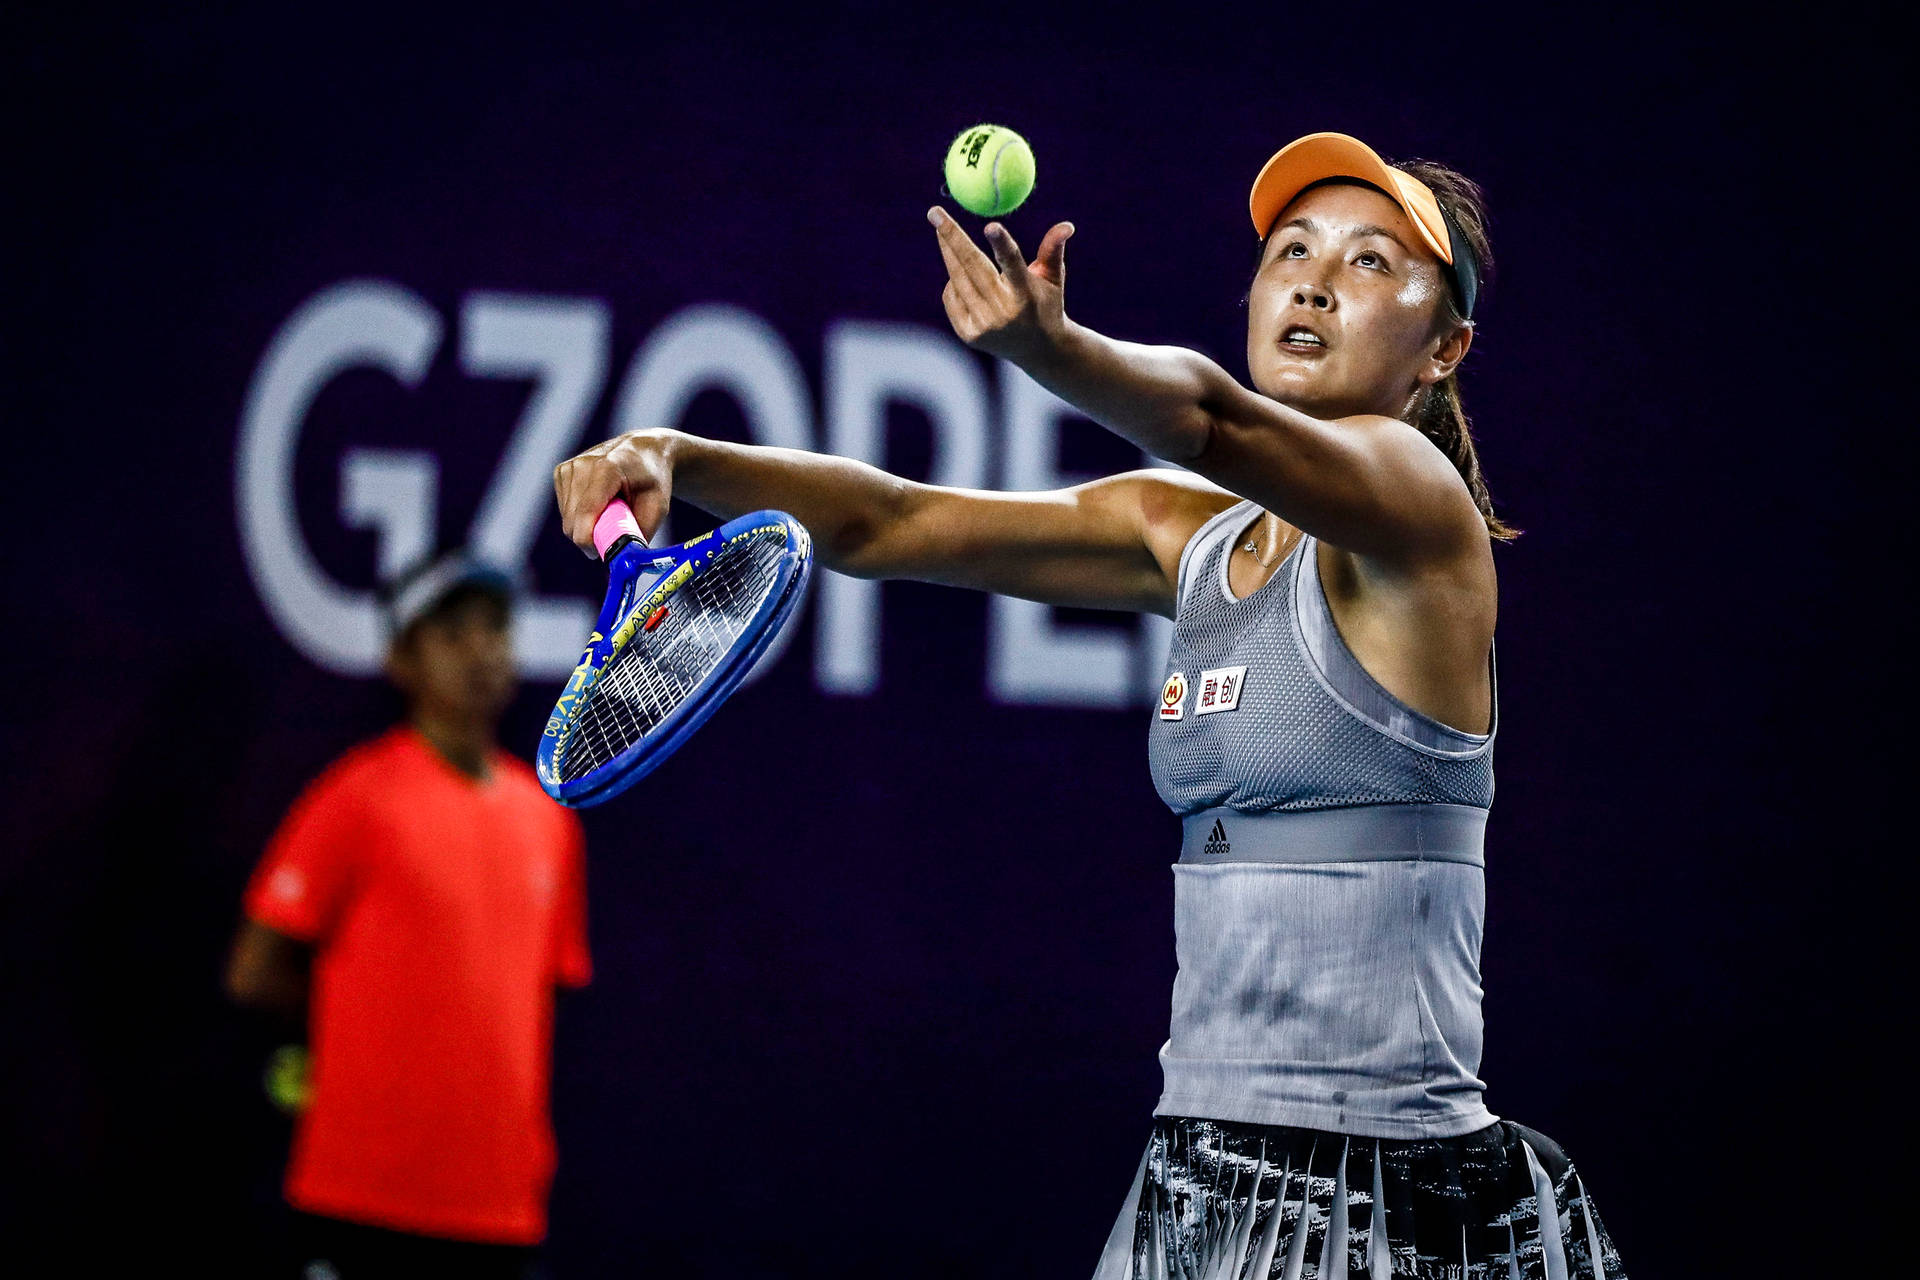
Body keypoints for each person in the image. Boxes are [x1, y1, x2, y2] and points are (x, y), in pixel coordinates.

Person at [552, 131, 1622, 1277]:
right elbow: (892, 521)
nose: (1312, 278)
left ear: (1445, 347)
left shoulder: (1423, 511)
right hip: (1191, 1179)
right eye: (1292, 250)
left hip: (1386, 1197)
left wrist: (1050, 348)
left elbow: (1212, 418)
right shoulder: (1188, 539)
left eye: (1371, 263)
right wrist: (676, 451)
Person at [226, 553, 591, 1279]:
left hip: (499, 1208)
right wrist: (364, 1021)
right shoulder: (356, 796)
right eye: (453, 633)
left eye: (496, 629)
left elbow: (531, 1002)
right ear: (401, 659)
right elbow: (254, 974)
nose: (483, 651)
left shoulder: (549, 819)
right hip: (359, 1199)